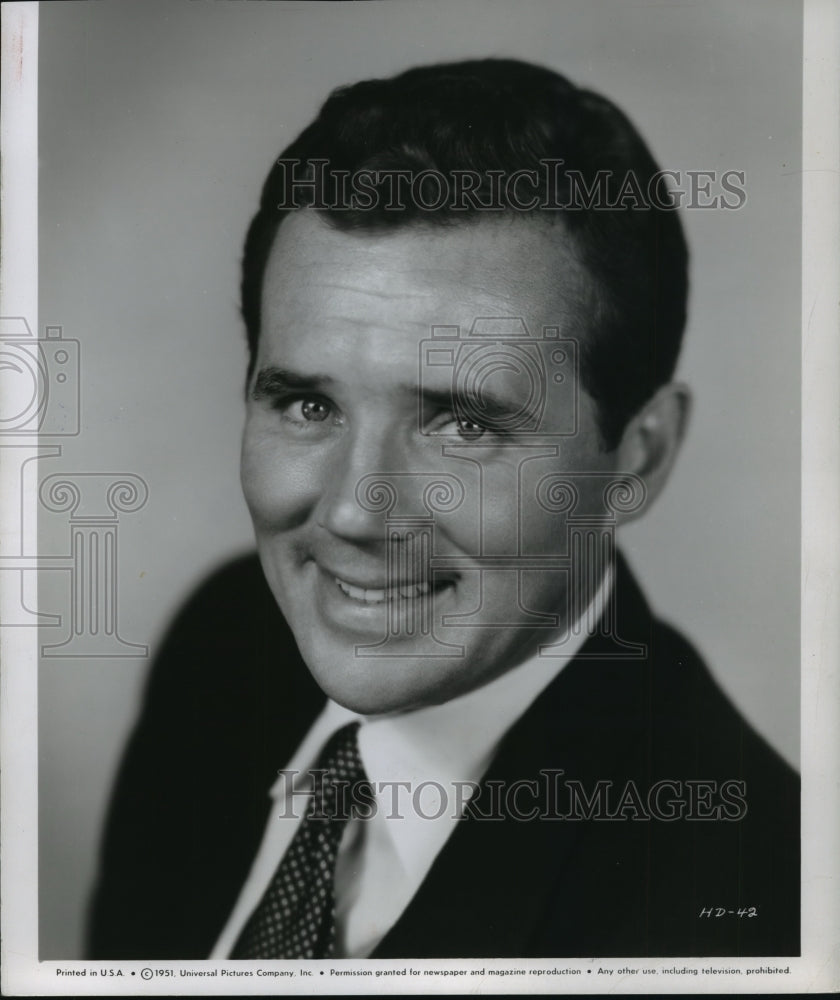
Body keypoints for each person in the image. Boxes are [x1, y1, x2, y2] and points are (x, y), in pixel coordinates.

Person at [87, 58, 799, 960]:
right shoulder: (227, 646)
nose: (355, 513)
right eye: (308, 405)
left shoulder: (756, 905)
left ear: (639, 455)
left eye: (463, 425)